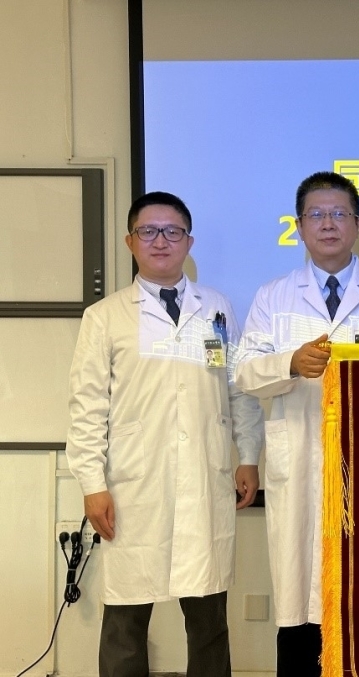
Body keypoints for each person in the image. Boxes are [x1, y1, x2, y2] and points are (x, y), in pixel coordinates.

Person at [235, 170, 359, 675]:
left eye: (339, 214)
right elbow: (244, 373)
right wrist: (289, 363)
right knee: (301, 602)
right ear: (299, 226)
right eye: (317, 215)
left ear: (358, 225)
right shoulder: (273, 296)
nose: (328, 224)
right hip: (300, 462)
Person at [65, 192, 265, 676]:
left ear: (189, 242)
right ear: (130, 241)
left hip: (204, 479)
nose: (161, 241)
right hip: (134, 487)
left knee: (209, 619)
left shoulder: (215, 308)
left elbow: (238, 388)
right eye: (149, 231)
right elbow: (87, 407)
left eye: (173, 232)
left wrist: (248, 455)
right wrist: (92, 484)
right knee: (125, 621)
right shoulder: (105, 316)